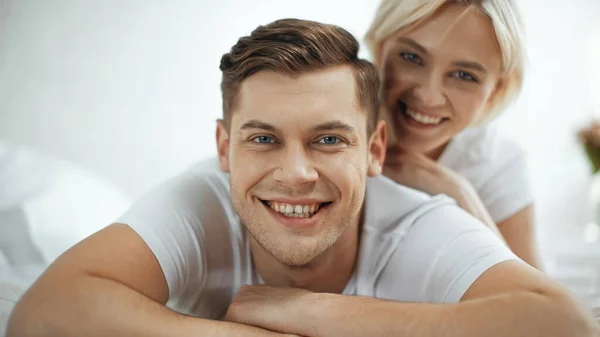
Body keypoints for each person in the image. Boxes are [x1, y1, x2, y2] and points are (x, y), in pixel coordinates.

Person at [7, 18, 599, 337]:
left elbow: (562, 325)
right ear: (223, 147)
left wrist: (304, 310)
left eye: (328, 140)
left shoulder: (418, 218)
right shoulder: (198, 202)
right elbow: (41, 312)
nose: (295, 173)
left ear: (375, 149)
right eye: (263, 139)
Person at [365, 0, 541, 268]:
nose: (429, 96)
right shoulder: (323, 131)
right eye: (412, 58)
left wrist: (457, 193)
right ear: (379, 49)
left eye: (464, 75)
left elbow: (537, 302)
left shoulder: (496, 160)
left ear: (495, 90)